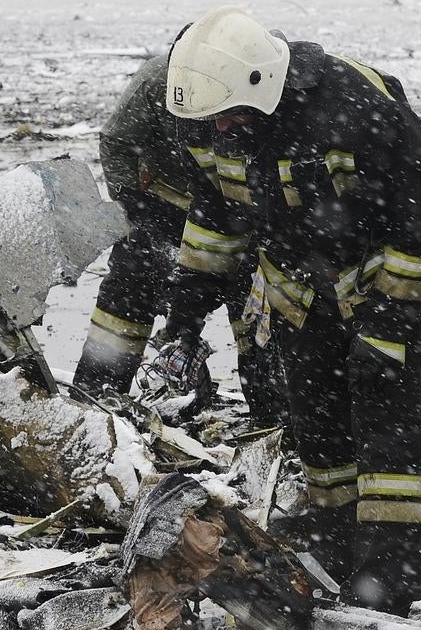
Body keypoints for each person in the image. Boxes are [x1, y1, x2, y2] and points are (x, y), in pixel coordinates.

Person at [158, 6, 421, 614]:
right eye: (209, 122)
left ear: (260, 87)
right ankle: (336, 541)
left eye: (228, 118)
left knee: (383, 405)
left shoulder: (353, 107)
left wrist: (388, 324)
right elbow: (217, 219)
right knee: (315, 409)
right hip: (299, 282)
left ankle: (391, 573)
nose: (220, 131)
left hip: (387, 273)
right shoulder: (210, 122)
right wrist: (184, 321)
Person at [73, 52, 286, 425]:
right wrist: (133, 209)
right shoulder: (156, 81)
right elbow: (116, 141)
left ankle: (273, 417)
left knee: (253, 306)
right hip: (162, 203)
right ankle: (94, 400)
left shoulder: (259, 85)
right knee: (128, 290)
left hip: (236, 209)